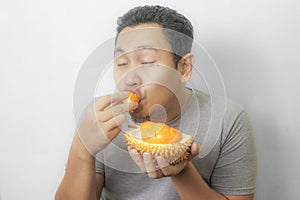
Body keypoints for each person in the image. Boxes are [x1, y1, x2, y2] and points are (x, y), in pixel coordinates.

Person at [55, 5, 257, 200]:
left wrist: (181, 170)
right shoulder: (100, 118)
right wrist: (82, 149)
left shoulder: (227, 119)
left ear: (184, 68)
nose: (129, 77)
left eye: (147, 61)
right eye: (122, 63)